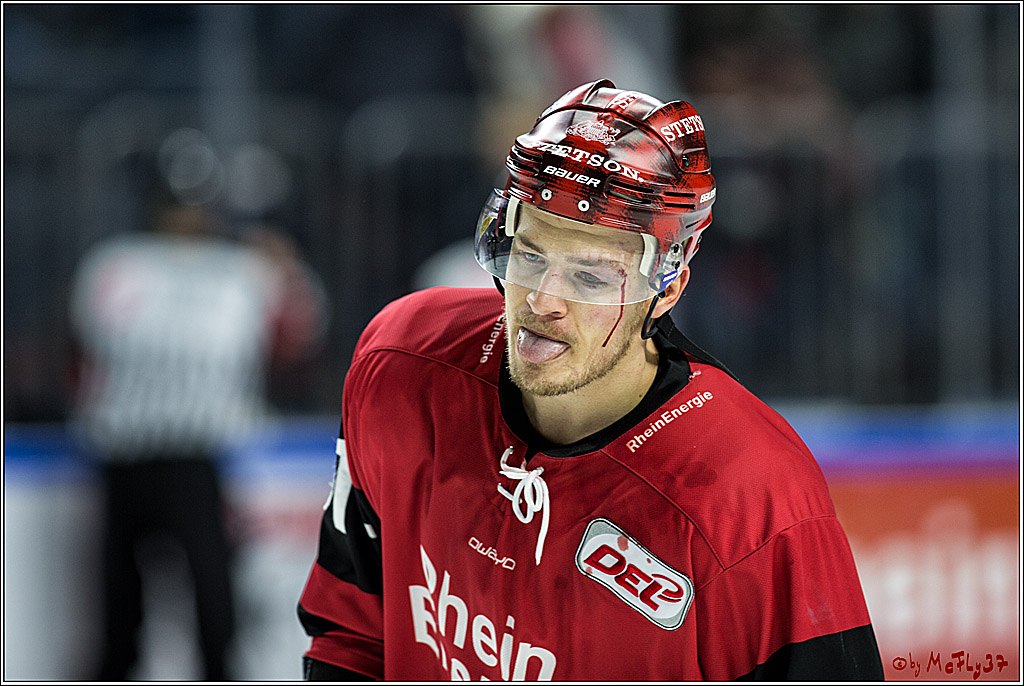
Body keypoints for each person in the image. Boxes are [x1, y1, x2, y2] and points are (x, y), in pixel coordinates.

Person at [296, 79, 884, 680]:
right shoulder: (404, 365)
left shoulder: (751, 498)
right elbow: (349, 636)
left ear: (669, 287)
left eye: (593, 277)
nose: (543, 300)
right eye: (530, 255)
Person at [71, 191, 323, 679]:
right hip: (125, 455)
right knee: (119, 616)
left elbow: (298, 341)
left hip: (199, 459)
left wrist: (287, 274)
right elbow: (78, 357)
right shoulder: (118, 266)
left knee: (214, 608)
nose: (185, 219)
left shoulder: (239, 274)